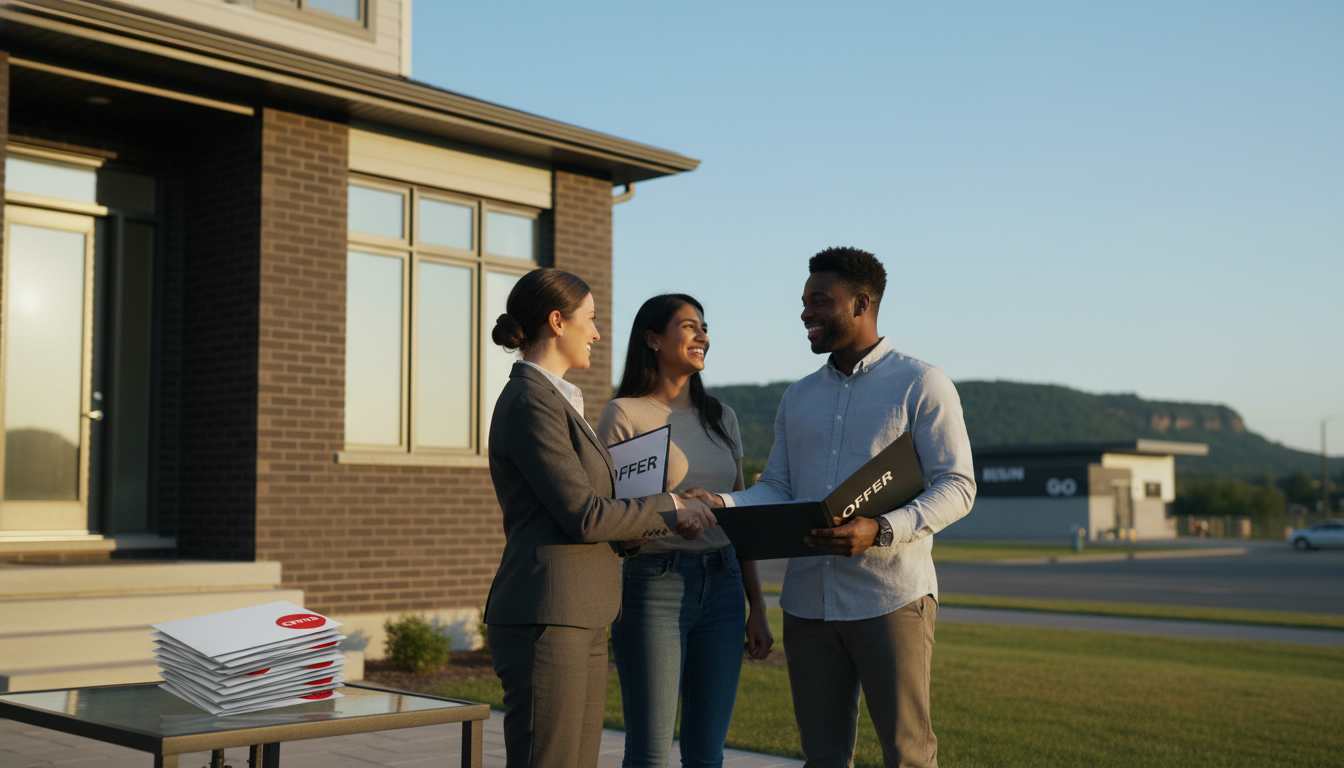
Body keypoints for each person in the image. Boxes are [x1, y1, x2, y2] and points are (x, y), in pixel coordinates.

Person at [684, 248, 976, 768]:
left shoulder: (922, 383)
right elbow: (777, 485)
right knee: (821, 756)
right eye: (804, 301)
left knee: (908, 754)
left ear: (862, 302)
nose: (805, 312)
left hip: (891, 599)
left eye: (820, 300)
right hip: (807, 605)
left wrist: (882, 529)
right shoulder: (797, 397)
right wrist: (723, 502)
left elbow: (957, 485)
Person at [483, 268, 718, 768]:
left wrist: (657, 516)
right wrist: (672, 508)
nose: (595, 332)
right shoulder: (530, 402)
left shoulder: (560, 401)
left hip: (581, 612)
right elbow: (585, 516)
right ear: (556, 322)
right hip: (548, 614)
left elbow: (600, 511)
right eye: (589, 320)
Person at [596, 294, 774, 768]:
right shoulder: (624, 415)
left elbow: (741, 516)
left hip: (724, 587)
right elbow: (618, 525)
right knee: (650, 754)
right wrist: (673, 515)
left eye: (704, 328)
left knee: (706, 755)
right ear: (653, 339)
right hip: (653, 584)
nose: (703, 337)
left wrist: (757, 607)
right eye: (689, 327)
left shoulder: (723, 416)